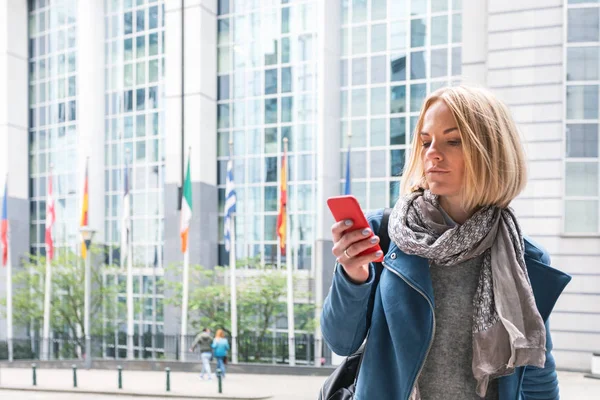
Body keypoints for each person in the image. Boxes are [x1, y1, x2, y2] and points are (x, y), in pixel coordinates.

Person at [321, 86, 571, 400]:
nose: (432, 153)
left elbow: (537, 374)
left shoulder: (525, 259)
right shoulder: (385, 235)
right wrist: (353, 277)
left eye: (452, 141)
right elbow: (340, 341)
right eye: (426, 141)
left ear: (490, 150)